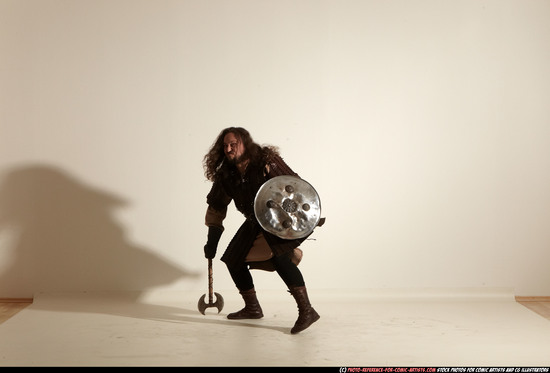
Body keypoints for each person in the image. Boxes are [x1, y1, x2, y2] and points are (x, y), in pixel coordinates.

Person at [202, 127, 320, 334]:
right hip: (254, 221)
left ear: (245, 143)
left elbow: (293, 186)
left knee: (280, 257)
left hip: (283, 220)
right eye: (225, 146)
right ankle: (252, 308)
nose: (228, 149)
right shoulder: (226, 174)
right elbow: (216, 208)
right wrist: (212, 241)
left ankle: (307, 311)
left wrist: (293, 219)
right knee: (233, 259)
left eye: (233, 144)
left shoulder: (265, 161)